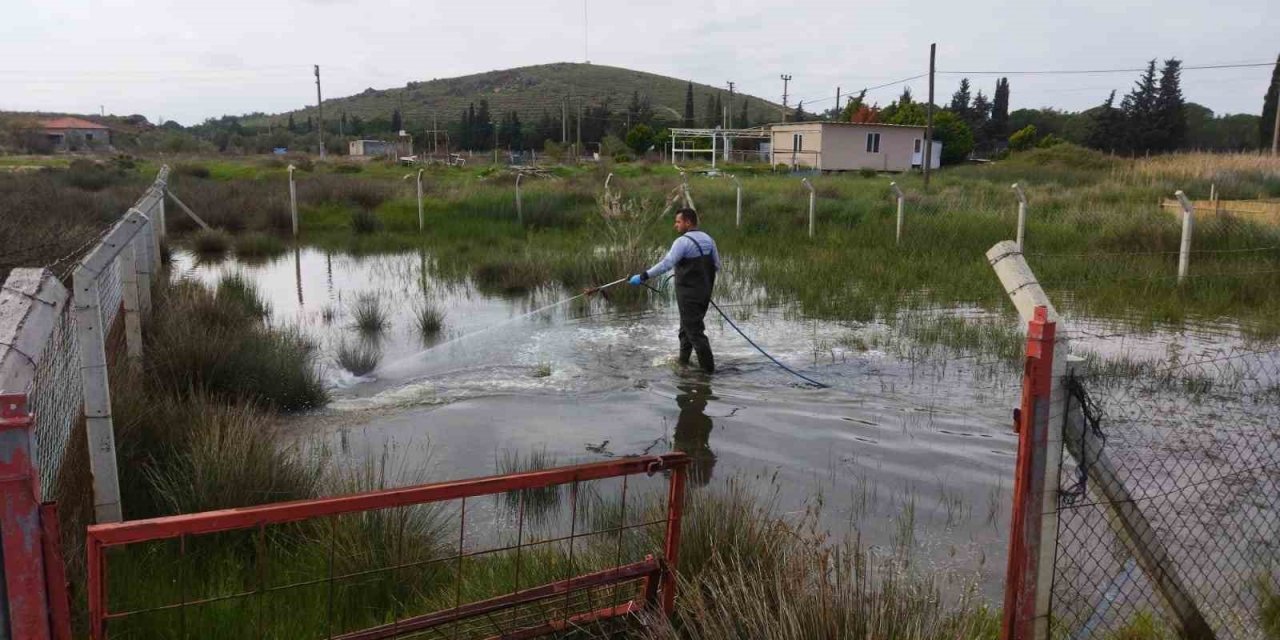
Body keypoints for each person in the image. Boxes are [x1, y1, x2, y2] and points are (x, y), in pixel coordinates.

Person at [629, 208, 721, 373]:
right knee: (685, 330)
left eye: (678, 222)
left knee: (695, 333)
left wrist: (643, 276)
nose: (675, 225)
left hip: (688, 296)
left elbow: (666, 264)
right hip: (704, 294)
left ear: (688, 222)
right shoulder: (709, 239)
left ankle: (708, 375)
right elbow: (717, 266)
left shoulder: (682, 242)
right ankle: (683, 363)